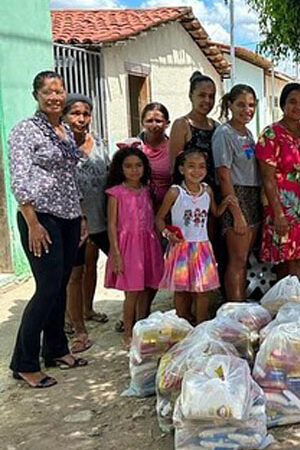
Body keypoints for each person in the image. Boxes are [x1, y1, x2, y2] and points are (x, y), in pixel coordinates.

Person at [8, 71, 87, 388]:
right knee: (47, 288)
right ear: (36, 95)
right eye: (48, 92)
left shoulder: (64, 129)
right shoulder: (25, 131)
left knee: (61, 283)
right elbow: (19, 178)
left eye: (60, 90)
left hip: (68, 215)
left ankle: (55, 349)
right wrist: (33, 223)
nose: (55, 96)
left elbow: (70, 176)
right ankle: (24, 362)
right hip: (40, 217)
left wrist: (80, 214)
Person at [156, 150, 234, 324]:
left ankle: (201, 325)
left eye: (201, 167)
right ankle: (182, 324)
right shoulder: (175, 192)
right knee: (182, 291)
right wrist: (167, 234)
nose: (197, 171)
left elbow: (214, 212)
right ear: (182, 169)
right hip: (181, 249)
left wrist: (226, 203)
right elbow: (159, 218)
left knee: (202, 291)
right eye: (191, 166)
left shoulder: (207, 190)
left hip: (202, 248)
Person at [256, 82, 300, 285]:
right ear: (283, 104)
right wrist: (278, 213)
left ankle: (289, 306)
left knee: (292, 260)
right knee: (294, 259)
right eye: (292, 102)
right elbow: (267, 178)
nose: (298, 107)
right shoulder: (271, 135)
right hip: (282, 206)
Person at [63, 94, 111, 354]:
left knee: (114, 263)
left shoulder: (100, 143)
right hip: (73, 222)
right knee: (76, 273)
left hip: (102, 219)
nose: (81, 119)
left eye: (86, 113)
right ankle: (78, 328)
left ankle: (89, 309)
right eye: (75, 113)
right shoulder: (61, 145)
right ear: (65, 116)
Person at [104, 143, 164, 347]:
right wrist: (116, 254)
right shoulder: (116, 193)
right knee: (132, 291)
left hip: (149, 243)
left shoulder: (148, 190)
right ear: (120, 168)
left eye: (138, 165)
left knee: (148, 287)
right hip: (128, 248)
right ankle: (128, 332)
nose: (134, 170)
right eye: (128, 166)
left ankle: (142, 325)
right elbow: (112, 225)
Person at [212, 85, 261, 301]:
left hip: (252, 196)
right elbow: (224, 175)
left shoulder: (247, 133)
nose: (247, 110)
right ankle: (235, 309)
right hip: (236, 197)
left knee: (244, 259)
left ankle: (240, 306)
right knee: (237, 260)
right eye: (241, 104)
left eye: (251, 105)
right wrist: (237, 213)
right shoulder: (224, 133)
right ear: (229, 104)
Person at [169, 71, 218, 185]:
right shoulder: (182, 125)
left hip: (212, 193)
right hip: (189, 195)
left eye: (211, 96)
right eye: (202, 95)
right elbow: (173, 167)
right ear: (191, 95)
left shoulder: (216, 126)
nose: (207, 100)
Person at [139, 102, 172, 207]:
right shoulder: (134, 148)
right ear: (142, 123)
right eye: (149, 121)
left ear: (167, 123)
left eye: (158, 121)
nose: (154, 125)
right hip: (140, 208)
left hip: (169, 209)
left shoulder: (174, 148)